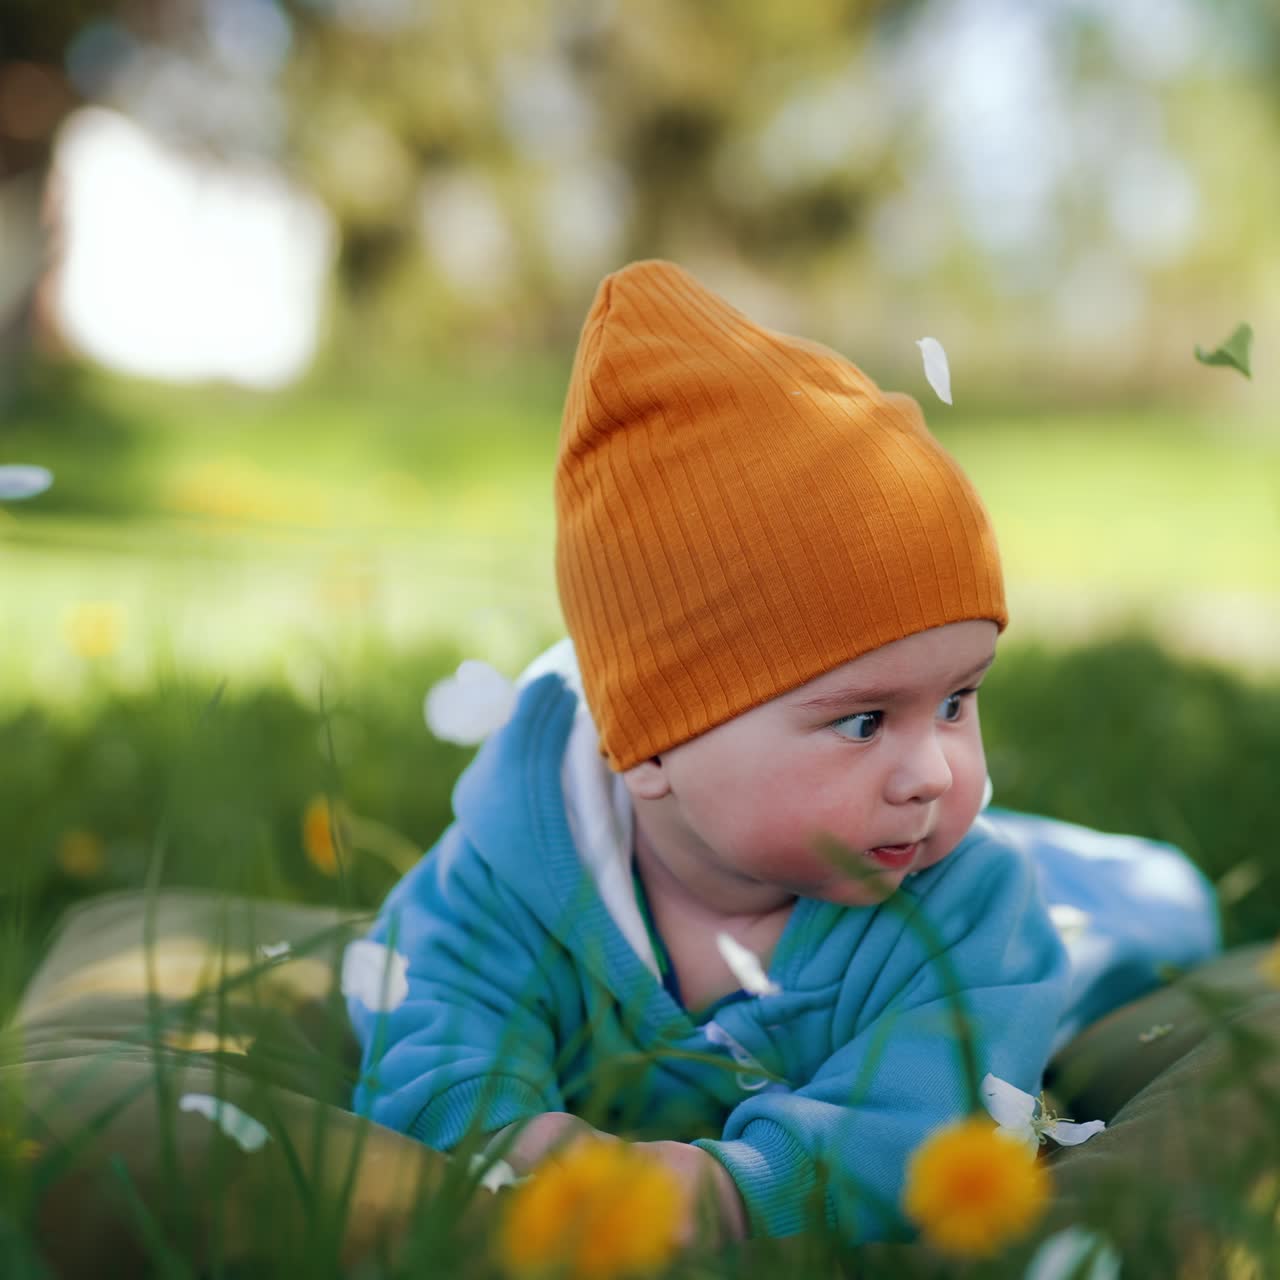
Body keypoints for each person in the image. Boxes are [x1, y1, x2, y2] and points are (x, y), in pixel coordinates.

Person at [347, 260, 1220, 1247]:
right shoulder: (506, 875)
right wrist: (527, 1145)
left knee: (1148, 914)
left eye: (955, 701)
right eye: (863, 721)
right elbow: (426, 1039)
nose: (932, 770)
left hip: (1035, 915)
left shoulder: (969, 910)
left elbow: (932, 1127)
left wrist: (730, 1189)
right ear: (651, 742)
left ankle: (1115, 881)